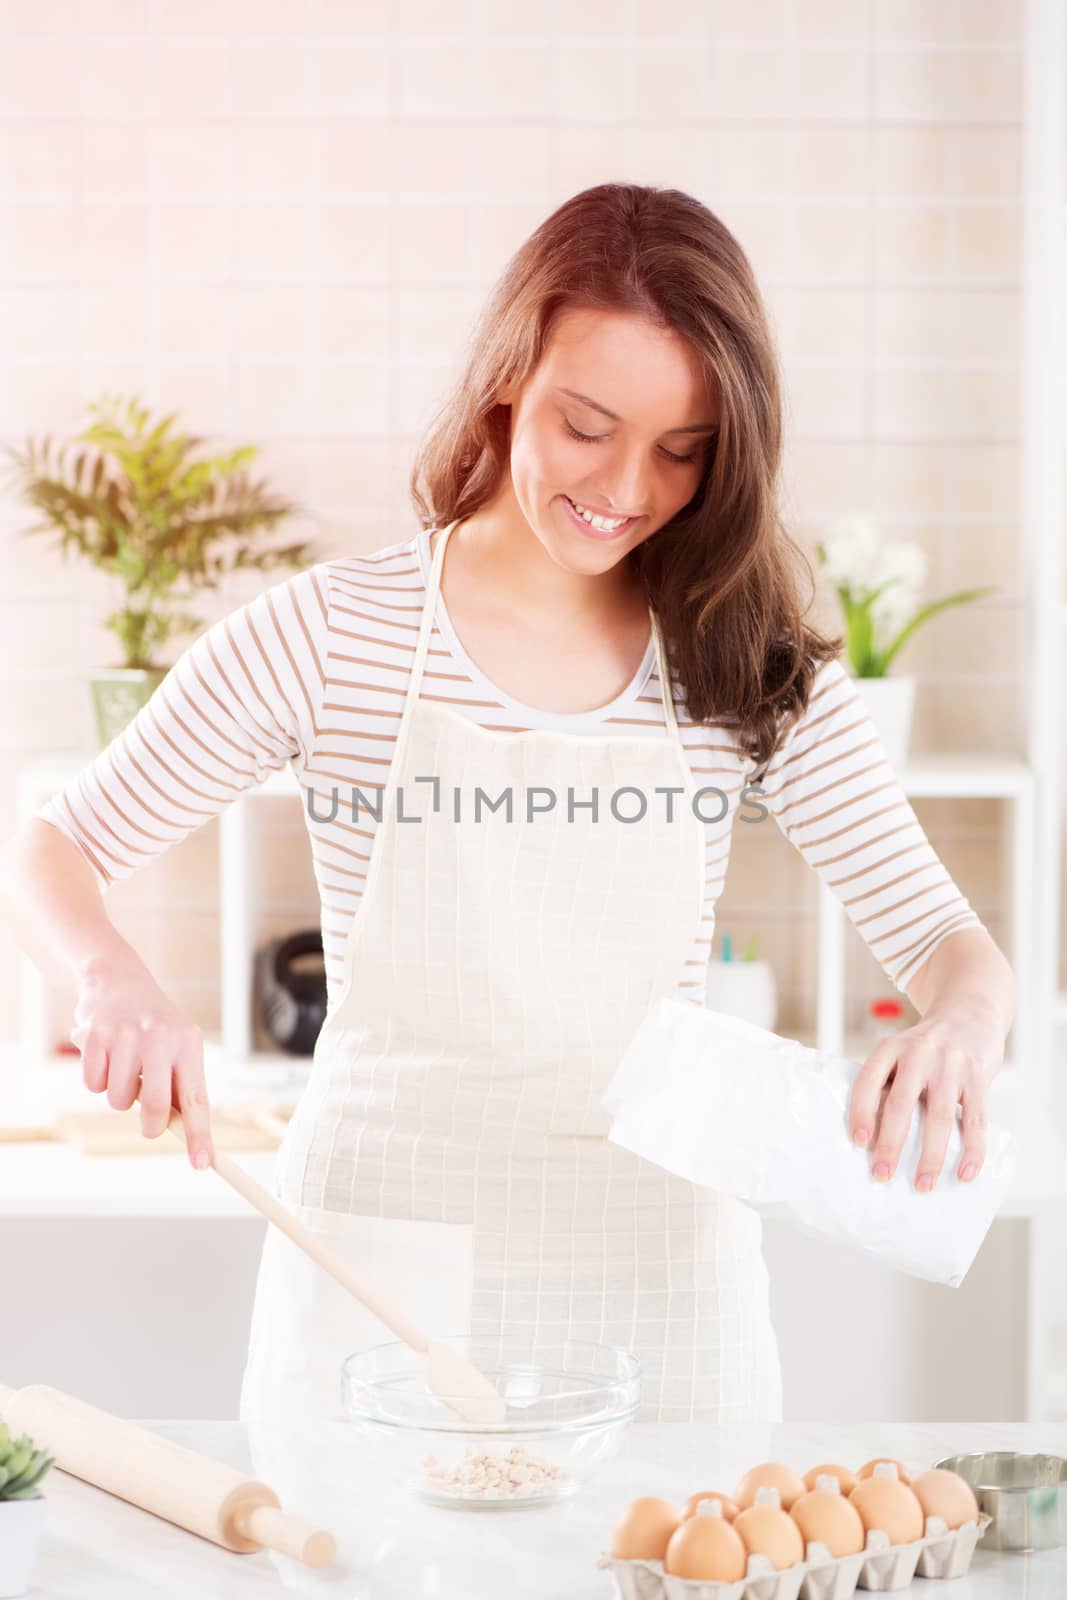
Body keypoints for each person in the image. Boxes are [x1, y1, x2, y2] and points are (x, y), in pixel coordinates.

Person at [2, 183, 1014, 1424]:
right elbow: (56, 843)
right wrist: (111, 979)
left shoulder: (742, 663)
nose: (624, 486)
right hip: (379, 1284)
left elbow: (949, 947)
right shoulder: (336, 633)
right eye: (585, 425)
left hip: (663, 1298)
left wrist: (958, 1029)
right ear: (504, 384)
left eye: (680, 449)